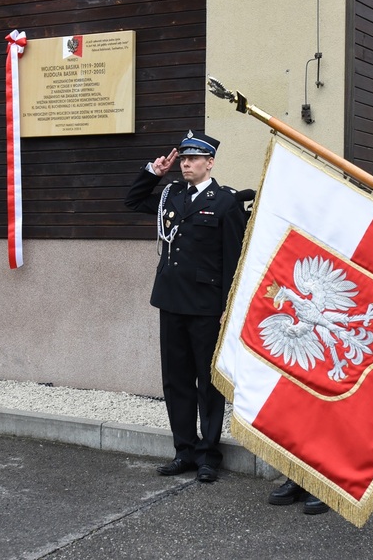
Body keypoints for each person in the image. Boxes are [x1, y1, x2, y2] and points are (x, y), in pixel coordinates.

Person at [124, 131, 245, 484]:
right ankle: (184, 450)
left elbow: (232, 261)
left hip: (207, 307)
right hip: (171, 301)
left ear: (210, 163)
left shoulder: (226, 202)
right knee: (176, 380)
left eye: (193, 159)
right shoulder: (170, 195)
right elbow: (132, 201)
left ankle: (209, 455)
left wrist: (228, 306)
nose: (186, 164)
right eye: (183, 159)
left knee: (208, 383)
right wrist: (153, 173)